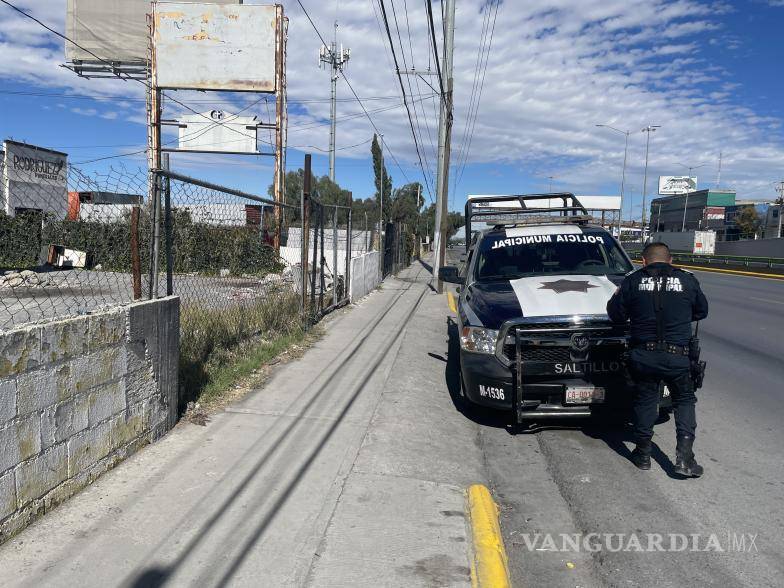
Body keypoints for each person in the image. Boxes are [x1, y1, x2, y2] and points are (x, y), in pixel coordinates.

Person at [607, 242, 709, 477]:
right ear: (670, 260)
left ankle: (643, 455)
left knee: (645, 400)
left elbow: (616, 314)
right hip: (678, 356)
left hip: (644, 356)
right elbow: (702, 311)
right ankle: (685, 459)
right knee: (684, 400)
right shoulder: (687, 280)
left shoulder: (632, 281)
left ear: (643, 261)